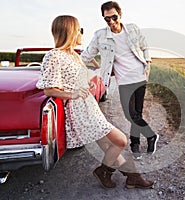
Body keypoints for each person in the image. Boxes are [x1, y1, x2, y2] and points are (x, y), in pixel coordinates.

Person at [36, 15, 154, 189]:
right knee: (120, 141)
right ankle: (103, 171)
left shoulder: (73, 55)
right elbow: (48, 89)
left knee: (108, 145)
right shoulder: (54, 56)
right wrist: (74, 93)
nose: (81, 34)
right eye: (79, 30)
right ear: (70, 32)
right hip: (78, 110)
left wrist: (87, 83)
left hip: (89, 105)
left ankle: (133, 177)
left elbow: (76, 79)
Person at [81, 1, 159, 160]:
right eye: (107, 19)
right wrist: (68, 60)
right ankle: (151, 136)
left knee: (136, 113)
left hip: (139, 76)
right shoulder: (100, 35)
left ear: (120, 15)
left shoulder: (132, 29)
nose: (111, 22)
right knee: (131, 115)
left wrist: (148, 65)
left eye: (114, 17)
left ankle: (135, 145)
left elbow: (145, 47)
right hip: (124, 80)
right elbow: (87, 55)